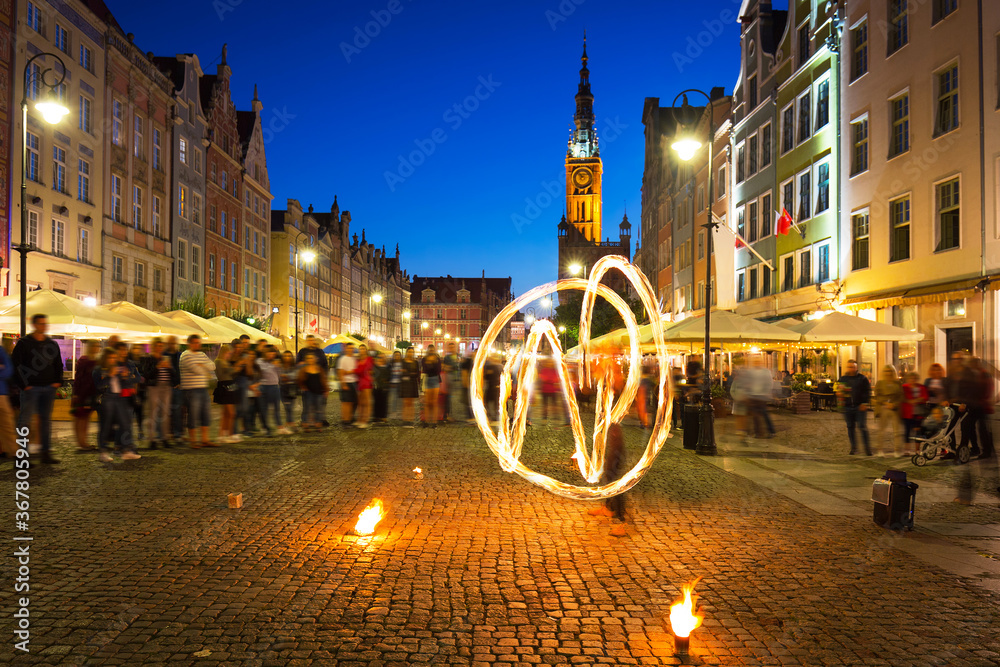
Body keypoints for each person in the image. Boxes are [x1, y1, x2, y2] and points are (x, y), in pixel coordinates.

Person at [12, 314, 64, 464]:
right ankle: (22, 456)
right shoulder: (24, 343)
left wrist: (57, 381)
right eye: (40, 324)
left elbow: (58, 364)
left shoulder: (52, 344)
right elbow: (16, 365)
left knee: (45, 420)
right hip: (31, 388)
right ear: (34, 325)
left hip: (48, 388)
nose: (43, 326)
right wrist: (24, 385)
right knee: (25, 421)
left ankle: (45, 452)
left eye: (45, 324)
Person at [93, 346, 142, 462]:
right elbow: (98, 386)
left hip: (119, 398)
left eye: (114, 357)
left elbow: (131, 380)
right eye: (111, 357)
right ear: (105, 358)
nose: (113, 359)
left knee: (125, 423)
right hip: (107, 399)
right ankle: (103, 452)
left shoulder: (117, 367)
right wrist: (109, 375)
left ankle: (125, 450)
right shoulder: (99, 369)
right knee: (105, 426)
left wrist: (126, 376)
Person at [587, 423, 628, 537]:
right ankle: (608, 507)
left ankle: (622, 522)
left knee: (616, 483)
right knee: (610, 477)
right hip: (613, 423)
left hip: (617, 427)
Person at [179, 335, 216, 448]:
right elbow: (196, 370)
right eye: (195, 343)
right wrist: (204, 367)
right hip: (191, 390)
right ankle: (193, 441)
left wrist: (202, 366)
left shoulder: (202, 354)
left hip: (203, 388)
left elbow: (213, 366)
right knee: (193, 415)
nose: (197, 345)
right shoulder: (185, 356)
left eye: (198, 342)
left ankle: (205, 439)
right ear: (189, 343)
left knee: (206, 414)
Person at [141, 338, 177, 449]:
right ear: (153, 347)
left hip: (166, 387)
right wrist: (157, 367)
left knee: (165, 413)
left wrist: (170, 367)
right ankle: (152, 439)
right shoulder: (149, 358)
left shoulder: (166, 358)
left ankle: (165, 438)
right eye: (157, 346)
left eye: (161, 346)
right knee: (153, 413)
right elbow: (146, 374)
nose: (159, 348)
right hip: (154, 387)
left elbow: (174, 374)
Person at [948, 352, 984, 460]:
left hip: (967, 405)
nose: (956, 361)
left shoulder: (969, 373)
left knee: (966, 428)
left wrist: (964, 402)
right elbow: (949, 387)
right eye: (954, 359)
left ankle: (962, 451)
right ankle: (952, 449)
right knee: (949, 427)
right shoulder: (952, 372)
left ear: (962, 360)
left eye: (958, 359)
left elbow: (972, 390)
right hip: (954, 404)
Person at [837, 360, 872, 456]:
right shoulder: (843, 379)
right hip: (847, 407)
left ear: (856, 368)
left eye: (853, 367)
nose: (851, 369)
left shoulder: (862, 378)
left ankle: (867, 448)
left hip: (859, 406)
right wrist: (839, 394)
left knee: (862, 426)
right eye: (849, 367)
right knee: (850, 427)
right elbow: (838, 390)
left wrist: (864, 403)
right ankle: (854, 447)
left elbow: (867, 391)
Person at [71, 340, 101, 451]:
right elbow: (78, 378)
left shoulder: (97, 361)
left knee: (86, 418)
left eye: (98, 346)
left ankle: (84, 442)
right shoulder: (84, 360)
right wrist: (76, 393)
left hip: (92, 393)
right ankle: (81, 442)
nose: (97, 348)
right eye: (95, 346)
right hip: (82, 393)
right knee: (80, 418)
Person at [298, 335, 330, 426]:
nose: (311, 342)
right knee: (307, 403)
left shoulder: (319, 352)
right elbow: (298, 364)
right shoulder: (302, 352)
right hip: (307, 380)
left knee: (320, 402)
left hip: (318, 379)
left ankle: (320, 419)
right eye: (309, 340)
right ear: (307, 341)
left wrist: (324, 377)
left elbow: (325, 364)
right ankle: (306, 421)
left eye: (312, 340)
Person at [257, 346, 288, 435]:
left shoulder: (275, 362)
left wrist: (278, 367)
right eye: (270, 353)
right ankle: (265, 427)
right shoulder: (259, 362)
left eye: (273, 354)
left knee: (276, 408)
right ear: (265, 353)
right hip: (263, 386)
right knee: (264, 409)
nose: (272, 355)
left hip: (274, 386)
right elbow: (260, 372)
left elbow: (280, 374)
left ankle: (279, 426)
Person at [214, 345, 240, 443]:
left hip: (229, 385)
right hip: (225, 386)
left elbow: (231, 372)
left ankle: (222, 435)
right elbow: (222, 374)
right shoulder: (219, 362)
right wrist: (235, 368)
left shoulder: (224, 362)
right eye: (228, 353)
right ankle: (228, 434)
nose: (229, 355)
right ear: (224, 352)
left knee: (226, 413)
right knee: (231, 413)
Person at [901, 371, 929, 455]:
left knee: (918, 432)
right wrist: (912, 400)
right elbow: (901, 397)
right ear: (908, 379)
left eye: (914, 378)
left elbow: (925, 397)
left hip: (918, 413)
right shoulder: (904, 387)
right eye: (911, 378)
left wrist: (915, 400)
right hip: (907, 413)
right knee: (907, 431)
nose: (912, 380)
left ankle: (917, 450)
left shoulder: (921, 387)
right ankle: (907, 450)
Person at [298, 353, 327, 431]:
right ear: (306, 360)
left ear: (315, 359)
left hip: (319, 391)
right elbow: (300, 380)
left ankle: (318, 424)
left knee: (318, 409)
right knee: (307, 408)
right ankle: (305, 424)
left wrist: (325, 389)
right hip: (308, 392)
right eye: (309, 358)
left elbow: (323, 379)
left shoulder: (319, 368)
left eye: (312, 358)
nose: (310, 360)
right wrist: (303, 387)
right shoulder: (303, 369)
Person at [165, 336, 185, 444]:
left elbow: (183, 370)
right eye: (170, 343)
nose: (172, 345)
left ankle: (177, 434)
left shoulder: (180, 356)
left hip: (178, 387)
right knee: (166, 412)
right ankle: (168, 433)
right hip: (166, 387)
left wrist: (181, 383)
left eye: (174, 343)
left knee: (178, 412)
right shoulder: (164, 356)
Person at [0, 341, 16, 459]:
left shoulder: (0, 350)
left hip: (2, 393)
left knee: (8, 426)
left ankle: (16, 455)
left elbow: (9, 370)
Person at [337, 342, 358, 426]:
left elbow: (356, 371)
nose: (351, 350)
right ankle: (345, 420)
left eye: (352, 348)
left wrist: (349, 372)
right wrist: (343, 384)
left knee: (353, 402)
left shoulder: (354, 359)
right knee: (346, 403)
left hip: (354, 382)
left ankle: (349, 417)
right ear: (346, 349)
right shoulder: (343, 359)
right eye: (349, 348)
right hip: (347, 382)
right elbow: (340, 372)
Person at [421, 344, 442, 427]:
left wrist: (431, 363)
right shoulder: (424, 359)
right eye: (430, 349)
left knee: (434, 402)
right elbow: (425, 369)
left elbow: (438, 370)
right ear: (428, 350)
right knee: (427, 402)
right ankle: (426, 421)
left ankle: (434, 422)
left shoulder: (437, 359)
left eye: (432, 349)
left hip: (435, 379)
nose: (431, 351)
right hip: (427, 380)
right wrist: (432, 363)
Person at [400, 347, 420, 427]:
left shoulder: (415, 362)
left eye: (412, 352)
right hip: (405, 383)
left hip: (412, 383)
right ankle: (405, 420)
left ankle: (411, 419)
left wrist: (407, 373)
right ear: (407, 352)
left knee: (411, 403)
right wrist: (411, 373)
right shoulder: (403, 362)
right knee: (405, 403)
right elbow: (402, 373)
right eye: (409, 352)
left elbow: (417, 374)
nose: (410, 353)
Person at [278, 351, 299, 427]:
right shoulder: (280, 366)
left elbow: (295, 375)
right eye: (285, 356)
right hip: (283, 388)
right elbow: (279, 376)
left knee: (290, 406)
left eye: (289, 356)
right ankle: (290, 421)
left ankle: (290, 421)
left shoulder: (293, 367)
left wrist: (286, 376)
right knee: (286, 406)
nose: (287, 358)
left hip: (291, 388)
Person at [355, 344, 374, 428]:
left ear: (366, 350)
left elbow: (368, 369)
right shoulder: (357, 360)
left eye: (363, 349)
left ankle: (365, 420)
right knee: (360, 402)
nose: (361, 350)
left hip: (366, 381)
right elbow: (358, 370)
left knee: (366, 402)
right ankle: (360, 419)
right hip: (359, 382)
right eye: (360, 349)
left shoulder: (369, 359)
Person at [442, 342, 461, 422]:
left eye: (453, 347)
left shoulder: (458, 356)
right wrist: (451, 367)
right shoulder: (447, 358)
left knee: (455, 399)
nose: (451, 349)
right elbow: (444, 368)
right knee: (448, 398)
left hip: (458, 379)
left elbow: (461, 366)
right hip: (449, 378)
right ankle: (447, 415)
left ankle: (452, 415)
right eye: (450, 347)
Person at [538, 357, 561, 424]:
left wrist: (549, 380)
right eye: (548, 362)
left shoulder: (554, 370)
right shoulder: (543, 370)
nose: (549, 363)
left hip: (553, 390)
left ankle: (555, 417)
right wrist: (550, 380)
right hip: (544, 390)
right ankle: (544, 418)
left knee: (554, 405)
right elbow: (542, 378)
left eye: (550, 362)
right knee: (545, 405)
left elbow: (557, 379)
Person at [372, 352, 390, 424]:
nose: (381, 359)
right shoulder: (375, 366)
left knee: (384, 402)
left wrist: (387, 381)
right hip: (376, 386)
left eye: (382, 357)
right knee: (376, 402)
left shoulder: (388, 366)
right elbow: (372, 375)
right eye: (379, 357)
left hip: (385, 386)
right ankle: (376, 417)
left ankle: (383, 417)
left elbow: (390, 375)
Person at [389, 350, 403, 422]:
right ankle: (393, 412)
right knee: (393, 398)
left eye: (398, 355)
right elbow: (389, 373)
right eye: (396, 355)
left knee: (400, 399)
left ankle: (400, 413)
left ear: (400, 356)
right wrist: (390, 382)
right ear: (393, 356)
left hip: (400, 383)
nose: (397, 356)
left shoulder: (402, 364)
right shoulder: (391, 364)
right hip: (393, 383)